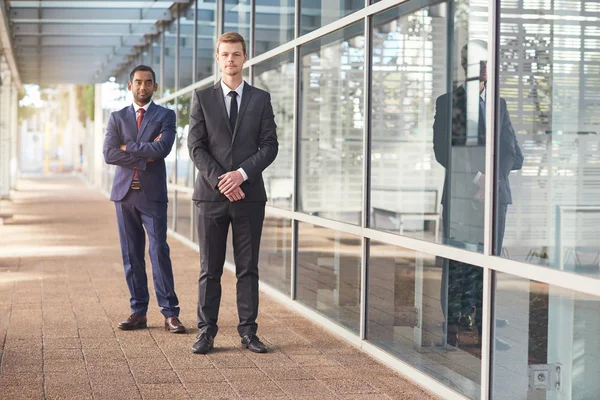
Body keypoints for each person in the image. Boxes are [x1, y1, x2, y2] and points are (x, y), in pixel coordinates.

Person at [187, 32, 278, 355]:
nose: (230, 60)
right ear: (218, 58)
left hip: (249, 196)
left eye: (236, 54)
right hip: (211, 198)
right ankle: (206, 332)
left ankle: (248, 332)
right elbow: (195, 147)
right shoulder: (202, 99)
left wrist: (240, 175)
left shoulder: (261, 99)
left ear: (244, 58)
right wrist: (222, 181)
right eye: (225, 54)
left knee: (248, 268)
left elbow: (270, 146)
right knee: (209, 268)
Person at [433, 40, 523, 350]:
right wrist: (478, 178)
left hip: (495, 197)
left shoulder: (499, 103)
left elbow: (510, 150)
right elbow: (444, 151)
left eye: (488, 61)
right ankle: (454, 329)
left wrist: (492, 180)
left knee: (488, 264)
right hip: (463, 197)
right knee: (459, 263)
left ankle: (484, 331)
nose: (485, 67)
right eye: (478, 61)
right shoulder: (448, 102)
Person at [103, 65, 185, 334]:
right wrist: (144, 154)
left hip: (152, 196)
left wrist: (129, 148)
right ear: (130, 86)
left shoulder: (166, 116)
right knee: (131, 255)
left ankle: (170, 313)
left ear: (155, 86)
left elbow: (162, 148)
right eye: (138, 82)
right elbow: (109, 154)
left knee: (159, 250)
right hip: (124, 195)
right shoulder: (117, 118)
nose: (143, 87)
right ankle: (138, 312)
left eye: (148, 82)